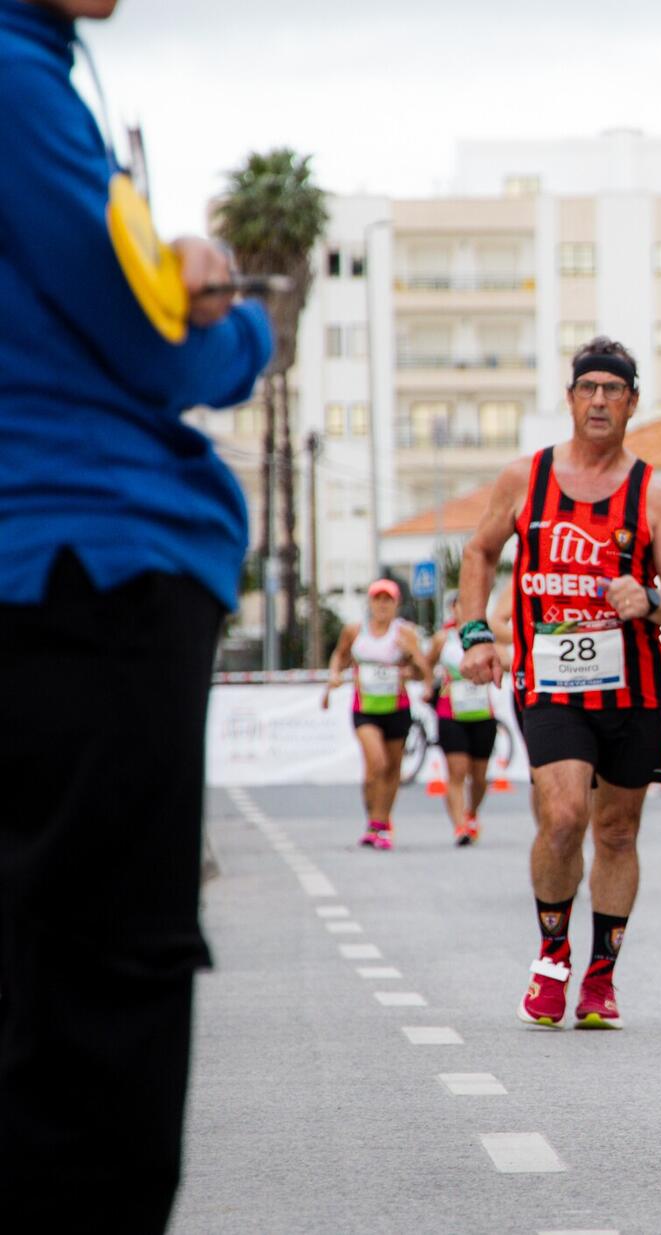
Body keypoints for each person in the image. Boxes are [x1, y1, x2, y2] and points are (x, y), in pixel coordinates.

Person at [0, 4, 273, 1227]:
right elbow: (156, 349)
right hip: (85, 565)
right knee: (107, 975)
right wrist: (232, 312)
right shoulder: (16, 82)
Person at [457, 337, 661, 1030]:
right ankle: (552, 952)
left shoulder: (653, 493)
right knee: (562, 817)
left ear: (632, 402)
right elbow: (478, 550)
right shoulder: (526, 479)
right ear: (569, 398)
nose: (598, 400)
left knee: (617, 830)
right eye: (587, 387)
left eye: (612, 390)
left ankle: (600, 975)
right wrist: (473, 632)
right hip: (550, 681)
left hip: (633, 687)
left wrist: (646, 596)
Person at [323, 578, 430, 849]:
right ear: (369, 603)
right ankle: (373, 818)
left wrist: (412, 665)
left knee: (393, 769)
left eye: (388, 600)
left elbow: (422, 671)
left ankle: (381, 824)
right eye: (377, 599)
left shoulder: (405, 634)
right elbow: (339, 656)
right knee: (376, 764)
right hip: (365, 709)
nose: (382, 605)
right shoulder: (355, 631)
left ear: (396, 604)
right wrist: (335, 675)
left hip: (397, 708)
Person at [429, 592, 499, 846]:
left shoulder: (487, 635)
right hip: (451, 713)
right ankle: (460, 826)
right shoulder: (443, 638)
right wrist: (429, 685)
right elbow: (425, 664)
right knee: (456, 772)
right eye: (461, 605)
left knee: (479, 776)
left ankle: (472, 814)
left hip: (482, 712)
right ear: (453, 608)